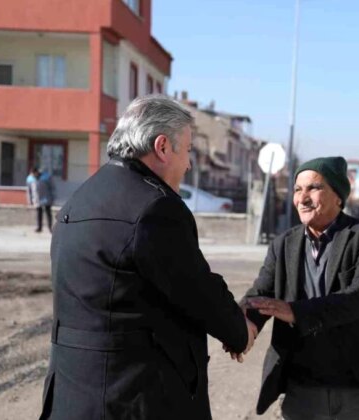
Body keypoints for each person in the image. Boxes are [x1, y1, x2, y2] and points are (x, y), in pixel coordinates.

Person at [38, 95, 257, 420]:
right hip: (132, 399)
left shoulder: (81, 198)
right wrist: (240, 331)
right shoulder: (155, 208)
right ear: (163, 147)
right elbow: (197, 291)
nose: (189, 164)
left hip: (73, 398)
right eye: (187, 150)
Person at [239, 156, 359, 420]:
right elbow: (260, 295)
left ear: (339, 196)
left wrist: (295, 312)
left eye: (313, 188)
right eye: (297, 189)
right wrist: (242, 327)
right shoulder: (282, 245)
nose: (302, 198)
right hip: (303, 390)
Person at [27, 168, 55, 232]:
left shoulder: (46, 177)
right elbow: (29, 190)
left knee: (48, 213)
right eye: (31, 174)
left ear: (36, 172)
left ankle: (50, 228)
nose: (33, 175)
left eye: (33, 174)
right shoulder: (30, 179)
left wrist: (53, 198)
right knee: (39, 213)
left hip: (46, 198)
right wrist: (30, 199)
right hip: (37, 199)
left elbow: (52, 188)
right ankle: (39, 228)